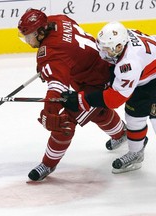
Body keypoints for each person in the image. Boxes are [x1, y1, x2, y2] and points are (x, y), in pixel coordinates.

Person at [61, 21, 156, 197]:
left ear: (120, 46)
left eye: (107, 49)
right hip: (144, 77)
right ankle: (136, 154)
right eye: (102, 47)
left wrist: (82, 99)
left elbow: (114, 99)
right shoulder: (120, 41)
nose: (103, 53)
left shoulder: (129, 63)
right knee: (133, 118)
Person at [17, 9, 127, 182]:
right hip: (97, 68)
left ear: (39, 32)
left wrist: (50, 112)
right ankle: (121, 134)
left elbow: (57, 88)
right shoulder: (58, 20)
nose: (27, 40)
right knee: (97, 112)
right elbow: (69, 51)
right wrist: (49, 66)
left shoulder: (51, 54)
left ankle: (48, 164)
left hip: (99, 82)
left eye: (28, 36)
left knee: (64, 122)